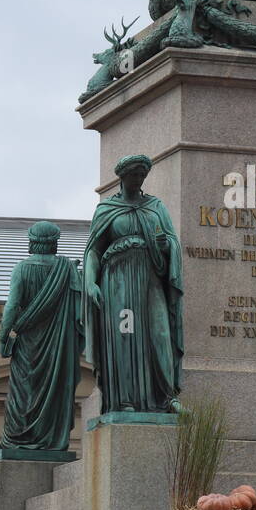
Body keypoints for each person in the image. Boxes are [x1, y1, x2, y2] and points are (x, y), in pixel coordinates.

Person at [83, 154, 184, 413]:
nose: (138, 180)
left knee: (159, 332)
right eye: (133, 176)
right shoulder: (107, 209)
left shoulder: (156, 206)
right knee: (124, 335)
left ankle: (166, 396)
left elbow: (172, 240)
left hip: (150, 277)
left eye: (142, 176)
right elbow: (94, 250)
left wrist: (165, 247)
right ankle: (125, 400)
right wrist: (90, 282)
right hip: (118, 280)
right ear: (122, 177)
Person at [0, 220, 85, 452]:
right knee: (53, 390)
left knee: (24, 391)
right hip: (59, 345)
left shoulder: (23, 269)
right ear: (55, 243)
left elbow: (12, 306)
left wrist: (4, 335)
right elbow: (80, 310)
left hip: (27, 345)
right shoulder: (66, 270)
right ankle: (50, 441)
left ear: (31, 242)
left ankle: (18, 440)